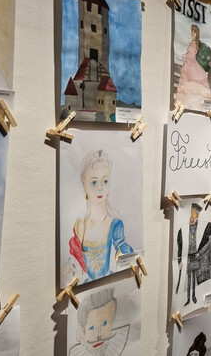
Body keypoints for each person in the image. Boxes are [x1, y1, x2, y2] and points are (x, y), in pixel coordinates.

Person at [67, 150, 134, 282]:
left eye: (105, 181)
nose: (100, 188)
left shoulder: (114, 224)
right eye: (94, 182)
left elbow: (124, 254)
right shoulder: (80, 226)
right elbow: (74, 265)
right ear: (85, 186)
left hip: (108, 284)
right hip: (87, 286)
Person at [176, 203, 211, 306]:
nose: (192, 217)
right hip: (187, 257)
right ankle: (188, 299)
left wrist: (199, 253)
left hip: (196, 256)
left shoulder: (203, 227)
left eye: (194, 214)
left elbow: (208, 241)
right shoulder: (183, 230)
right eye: (191, 213)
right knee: (188, 278)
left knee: (194, 277)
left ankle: (193, 296)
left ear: (197, 215)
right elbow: (180, 246)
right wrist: (180, 260)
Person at [70, 287, 129, 356]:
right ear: (81, 333)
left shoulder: (123, 342)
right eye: (92, 328)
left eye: (104, 324)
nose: (99, 335)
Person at [175, 24, 211, 110]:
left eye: (194, 32)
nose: (192, 34)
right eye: (192, 32)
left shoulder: (194, 43)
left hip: (191, 65)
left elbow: (192, 54)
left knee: (190, 84)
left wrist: (185, 56)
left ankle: (189, 103)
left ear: (196, 33)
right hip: (190, 65)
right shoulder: (195, 42)